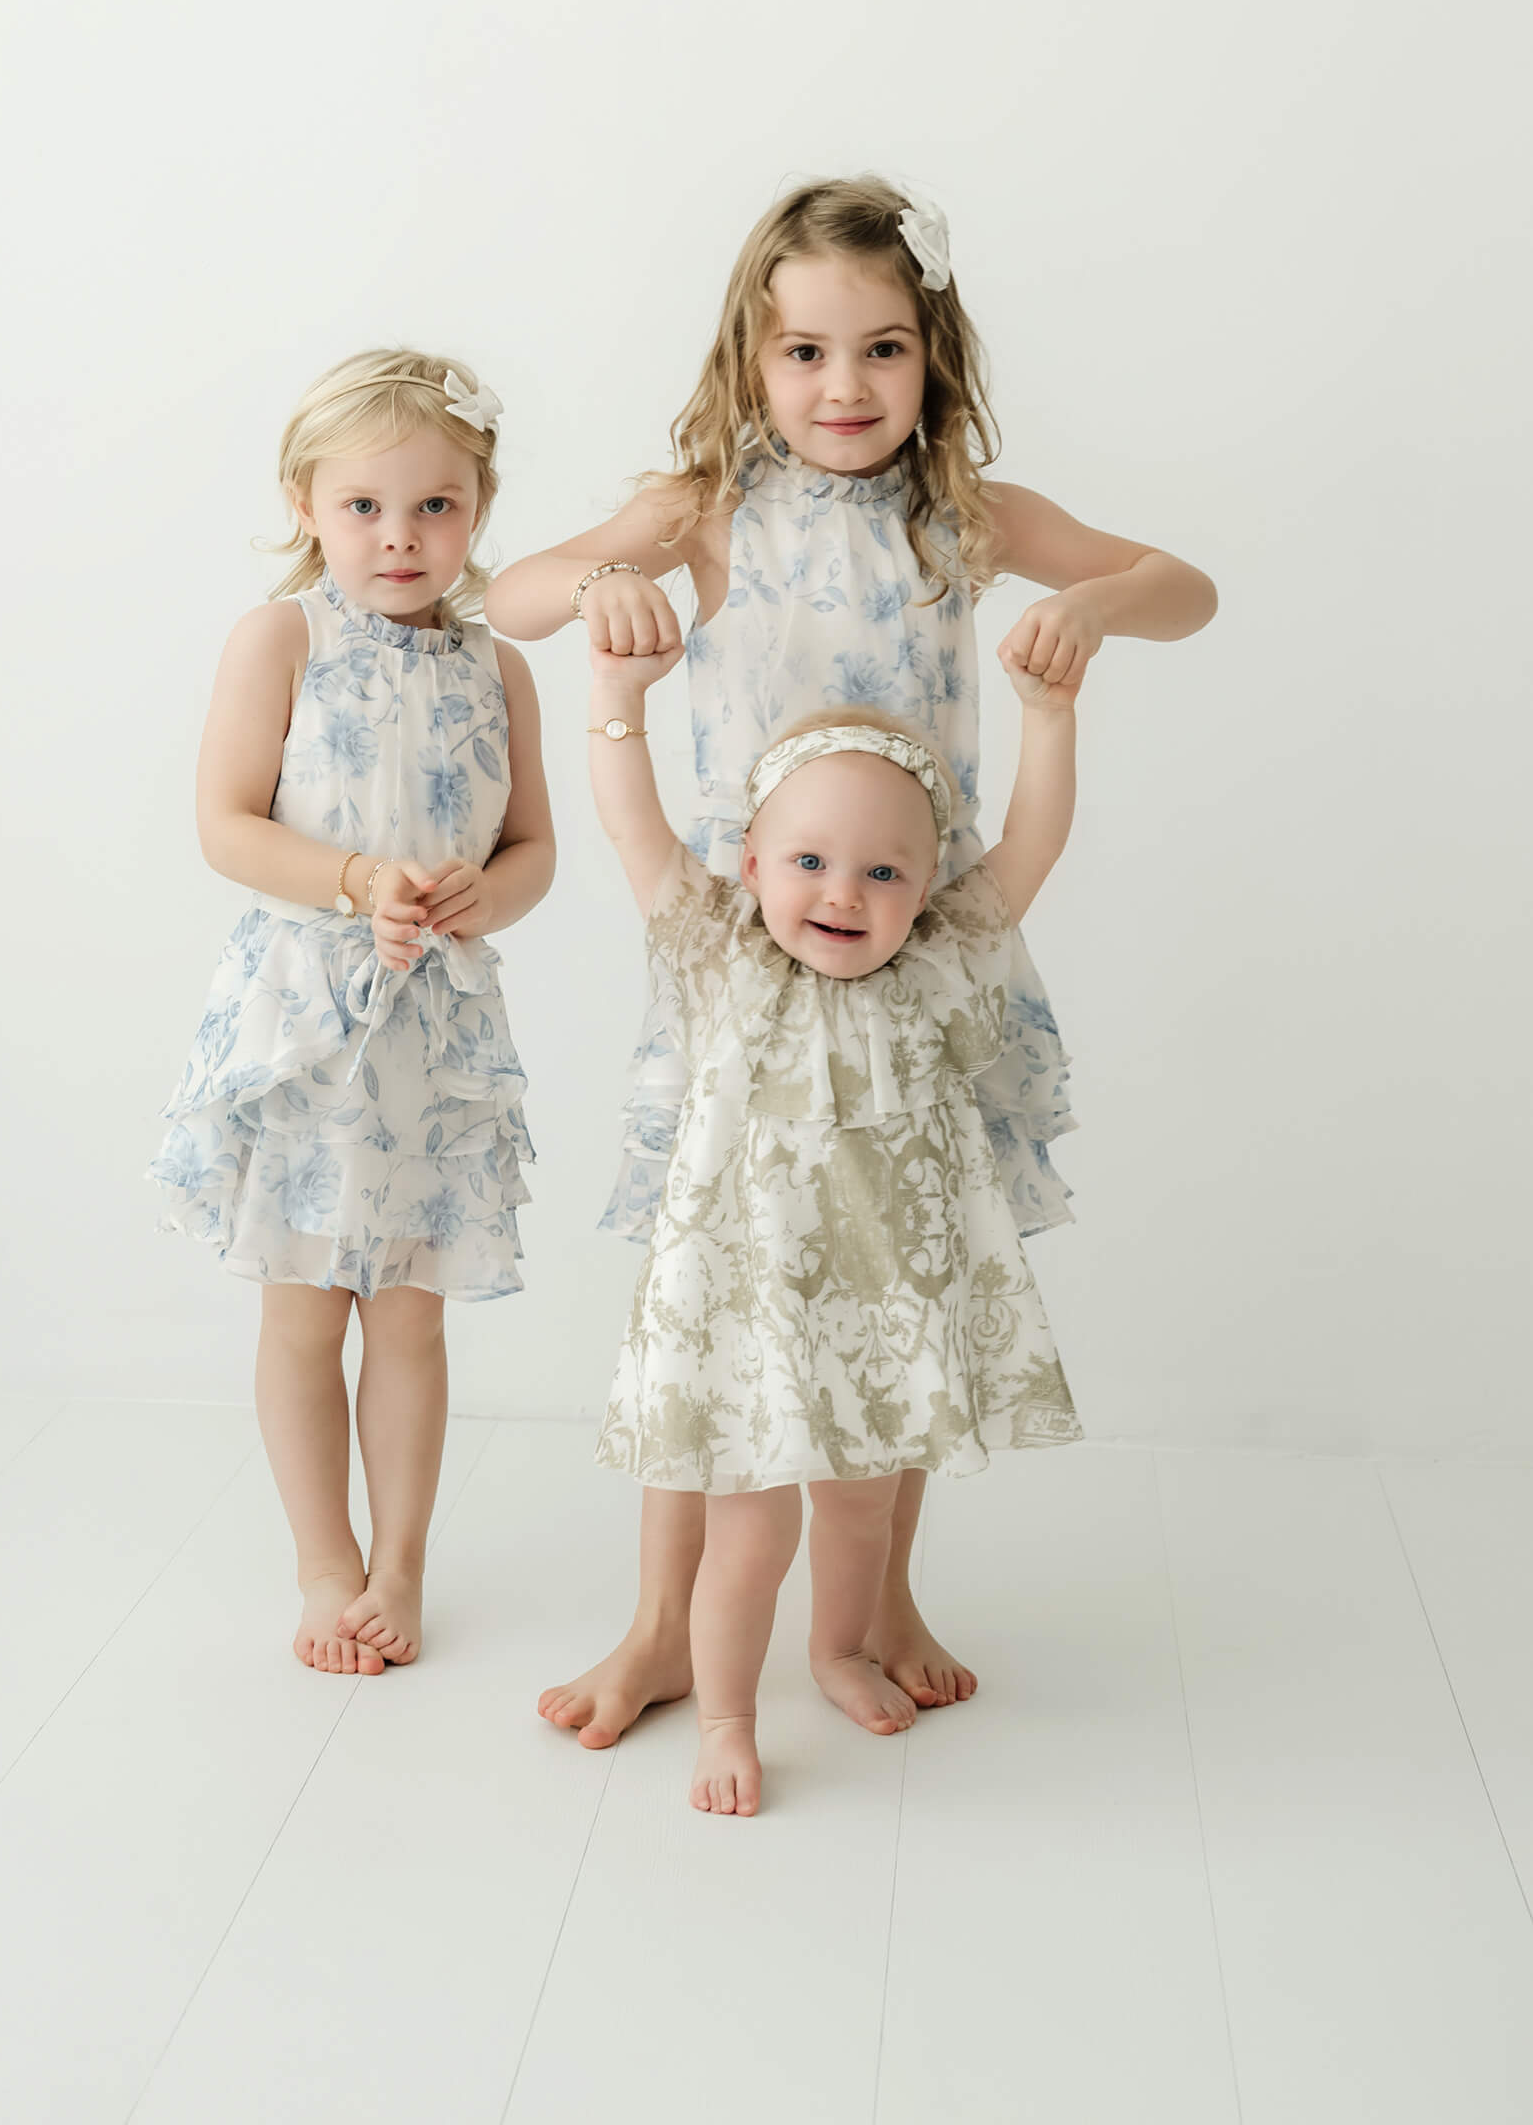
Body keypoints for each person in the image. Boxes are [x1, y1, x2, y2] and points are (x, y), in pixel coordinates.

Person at [485, 175, 1215, 1744]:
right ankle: (659, 1628)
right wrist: (599, 585)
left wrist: (1093, 604)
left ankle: (871, 1604)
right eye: (803, 351)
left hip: (916, 947)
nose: (842, 387)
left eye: (881, 349)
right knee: (709, 1291)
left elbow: (1187, 589)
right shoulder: (701, 508)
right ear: (748, 356)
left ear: (929, 354)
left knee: (904, 1268)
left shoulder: (964, 515)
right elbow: (512, 591)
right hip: (745, 966)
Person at [584, 628, 1084, 1813]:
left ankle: (842, 1646)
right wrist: (617, 698)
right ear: (751, 863)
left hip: (881, 1311)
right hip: (749, 1316)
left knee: (862, 1514)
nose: (844, 893)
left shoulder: (941, 962)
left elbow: (1034, 842)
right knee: (750, 1538)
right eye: (808, 860)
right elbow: (630, 824)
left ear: (928, 885)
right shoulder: (721, 952)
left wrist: (1049, 716)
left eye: (884, 872)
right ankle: (726, 1714)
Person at [150, 350, 553, 1675]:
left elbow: (534, 850)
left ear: (477, 506)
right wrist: (356, 881)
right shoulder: (284, 638)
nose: (400, 535)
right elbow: (225, 825)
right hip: (309, 1023)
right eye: (365, 506)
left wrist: (482, 895)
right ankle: (325, 1563)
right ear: (305, 503)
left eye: (436, 506)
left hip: (431, 1032)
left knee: (412, 1313)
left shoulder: (498, 667)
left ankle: (401, 1565)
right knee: (306, 1308)